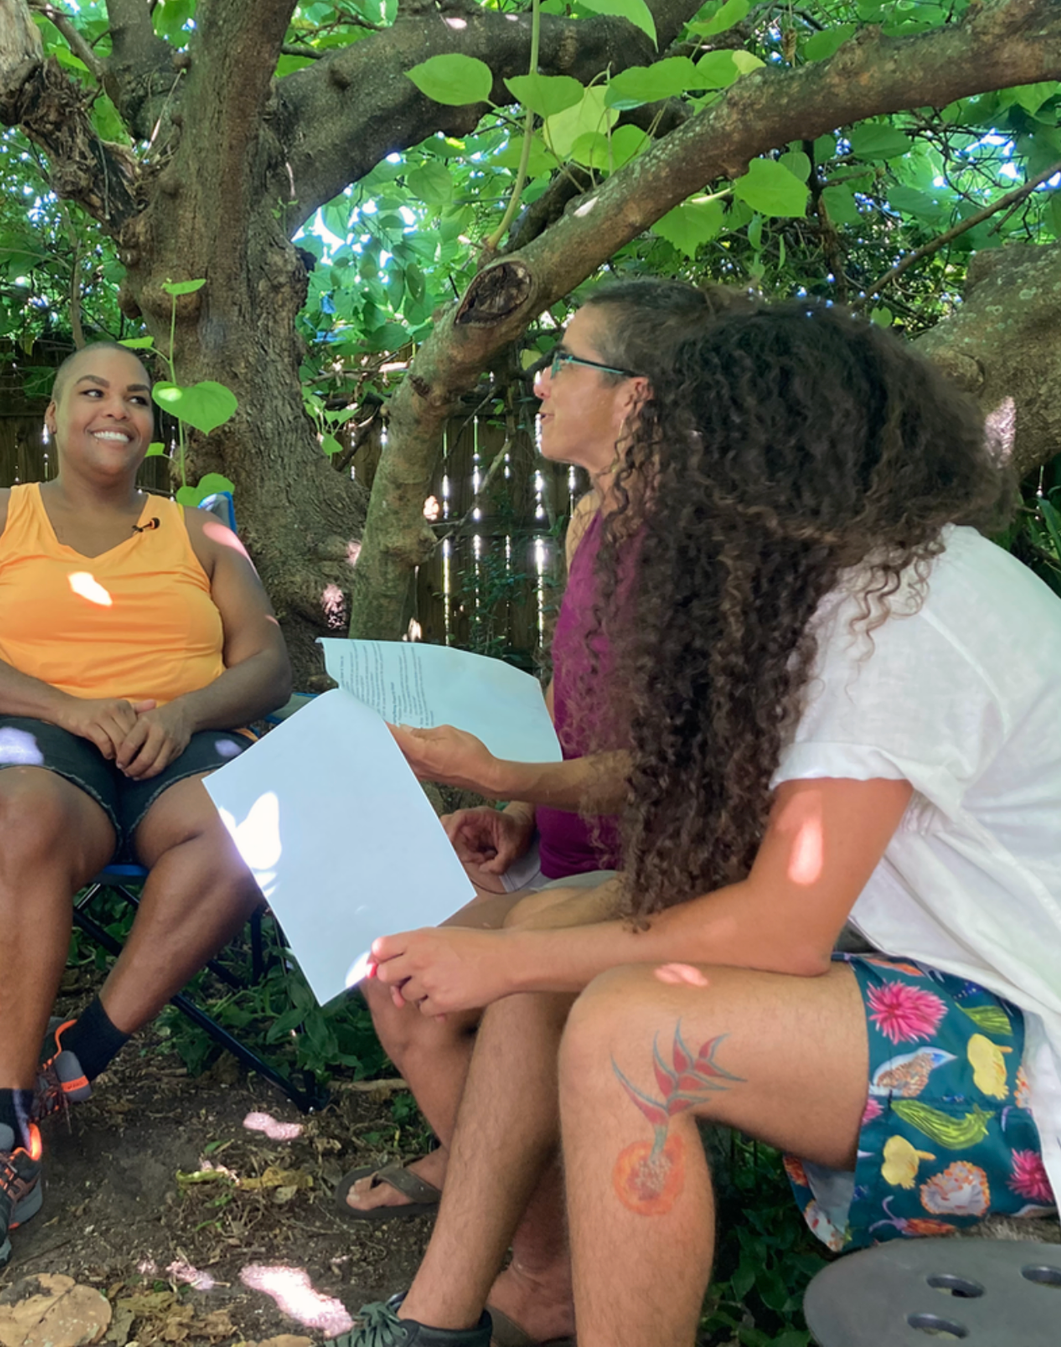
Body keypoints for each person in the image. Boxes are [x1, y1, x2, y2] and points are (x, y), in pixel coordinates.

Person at [341, 302, 1061, 1347]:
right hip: (1003, 985)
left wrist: (493, 963)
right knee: (552, 940)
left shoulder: (899, 620)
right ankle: (446, 1318)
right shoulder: (855, 589)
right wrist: (520, 930)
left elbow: (778, 927)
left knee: (628, 1030)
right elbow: (730, 837)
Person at [343, 283, 738, 1338]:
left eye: (567, 360)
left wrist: (503, 779)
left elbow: (674, 768)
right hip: (564, 852)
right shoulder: (587, 517)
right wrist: (522, 811)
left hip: (664, 876)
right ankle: (542, 1255)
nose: (540, 376)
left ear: (635, 398)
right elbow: (578, 701)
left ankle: (530, 1269)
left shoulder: (696, 546)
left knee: (443, 978)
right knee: (397, 980)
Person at [0, 339, 292, 1273]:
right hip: (28, 737)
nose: (117, 408)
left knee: (246, 823)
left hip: (176, 740)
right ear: (53, 416)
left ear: (155, 427)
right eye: (92, 391)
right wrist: (68, 708)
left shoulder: (203, 533)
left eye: (138, 397)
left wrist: (187, 710)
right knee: (28, 816)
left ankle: (71, 1061)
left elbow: (269, 663)